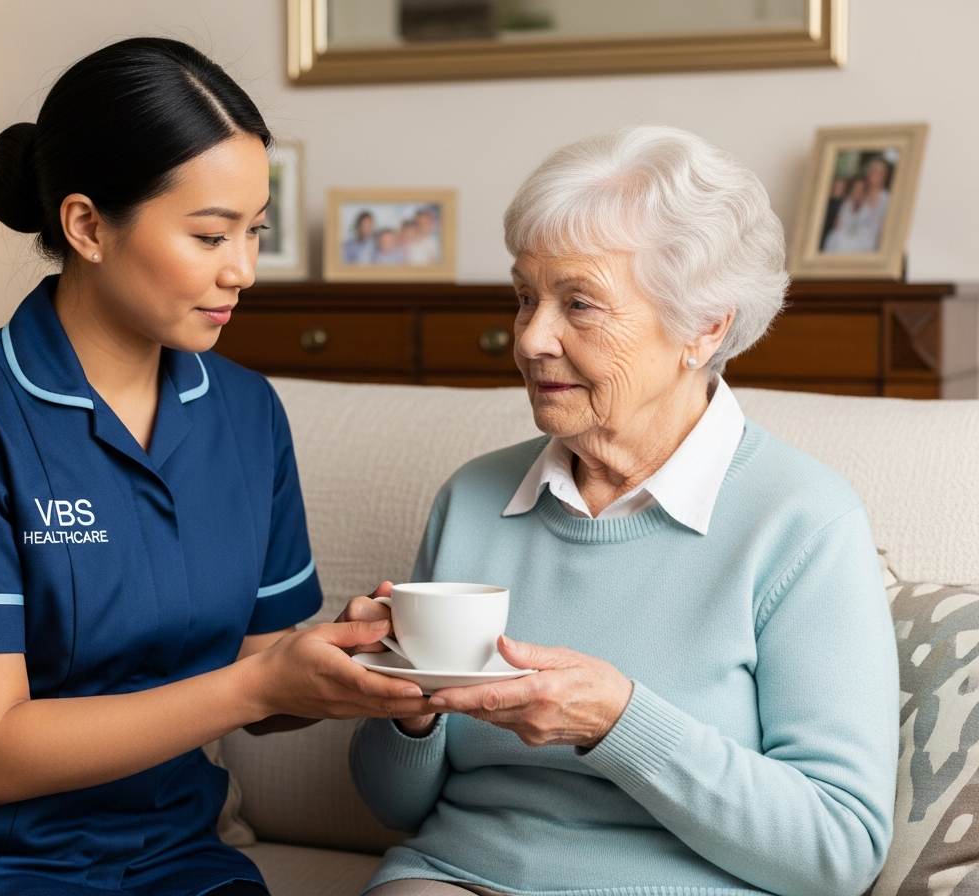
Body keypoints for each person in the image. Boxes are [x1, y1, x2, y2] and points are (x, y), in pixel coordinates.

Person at [0, 38, 431, 896]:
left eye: (254, 232)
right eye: (211, 234)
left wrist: (350, 658)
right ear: (86, 225)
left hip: (174, 863)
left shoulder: (246, 414)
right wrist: (257, 685)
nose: (243, 270)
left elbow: (269, 673)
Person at [345, 125, 898, 896]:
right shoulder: (472, 498)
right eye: (525, 297)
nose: (532, 339)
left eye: (579, 304)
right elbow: (393, 807)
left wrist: (618, 722)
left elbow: (837, 851)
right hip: (452, 880)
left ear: (704, 327)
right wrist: (405, 706)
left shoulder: (803, 522)